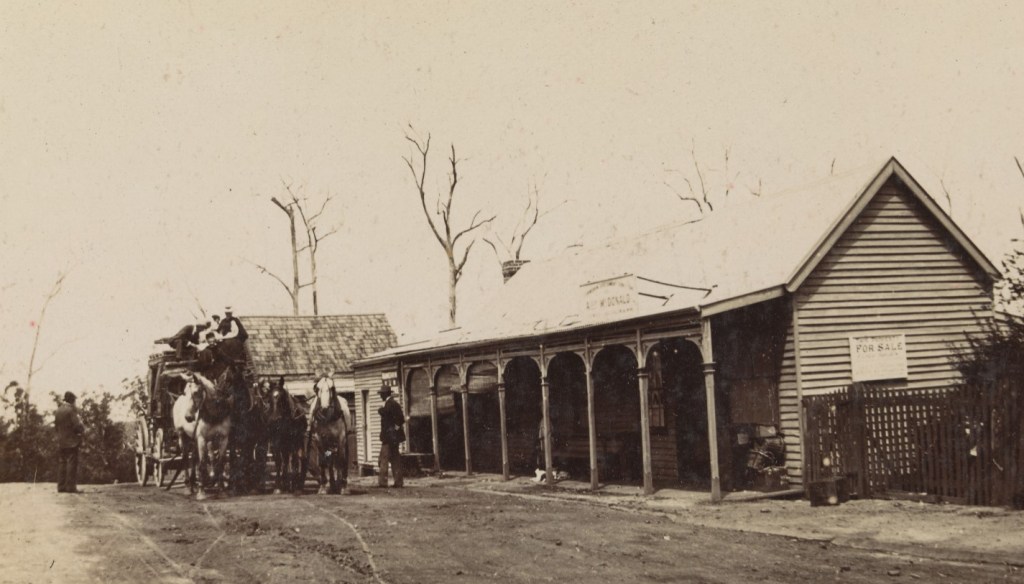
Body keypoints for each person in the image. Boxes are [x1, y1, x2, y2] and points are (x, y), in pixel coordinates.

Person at [54, 391, 85, 493]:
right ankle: (71, 487)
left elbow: (56, 426)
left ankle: (61, 487)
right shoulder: (71, 410)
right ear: (72, 400)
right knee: (72, 463)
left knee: (62, 463)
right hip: (71, 441)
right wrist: (81, 431)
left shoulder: (58, 410)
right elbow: (77, 425)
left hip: (61, 441)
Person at [376, 384, 405, 488]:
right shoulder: (394, 404)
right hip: (394, 438)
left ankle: (383, 482)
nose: (380, 396)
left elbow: (398, 419)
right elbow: (401, 420)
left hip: (388, 438)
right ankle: (398, 482)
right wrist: (396, 430)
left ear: (385, 394)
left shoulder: (389, 404)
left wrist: (393, 430)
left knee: (383, 459)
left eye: (381, 394)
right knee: (395, 459)